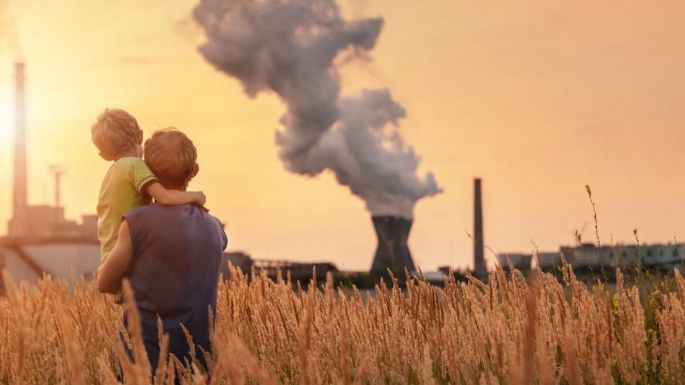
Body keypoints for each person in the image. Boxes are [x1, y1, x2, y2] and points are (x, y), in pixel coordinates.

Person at [96, 129, 227, 370]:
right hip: (197, 364)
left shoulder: (136, 223)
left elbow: (104, 283)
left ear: (146, 171)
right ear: (194, 170)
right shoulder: (215, 228)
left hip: (143, 362)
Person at [91, 108, 206, 262]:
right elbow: (164, 197)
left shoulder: (112, 173)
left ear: (104, 155)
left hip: (109, 257)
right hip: (127, 257)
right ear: (140, 136)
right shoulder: (135, 166)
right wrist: (196, 196)